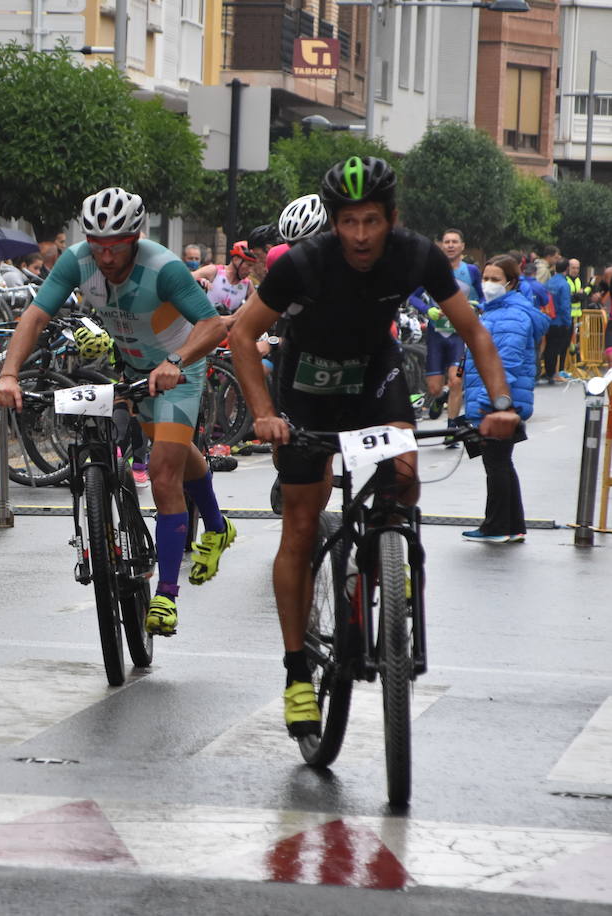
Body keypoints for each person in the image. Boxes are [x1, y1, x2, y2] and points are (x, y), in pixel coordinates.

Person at [228, 156, 521, 739]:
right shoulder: (304, 265)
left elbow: (473, 330)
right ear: (334, 222)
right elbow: (239, 333)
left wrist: (501, 404)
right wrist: (263, 415)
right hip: (306, 391)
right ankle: (294, 674)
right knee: (301, 527)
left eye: (371, 221)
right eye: (348, 222)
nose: (360, 236)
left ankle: (388, 547)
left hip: (375, 382)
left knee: (404, 474)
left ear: (391, 218)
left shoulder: (416, 255)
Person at [0, 187, 235, 637]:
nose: (105, 256)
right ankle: (218, 526)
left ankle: (166, 596)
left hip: (179, 368)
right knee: (175, 454)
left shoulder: (162, 268)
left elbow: (212, 325)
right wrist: (8, 374)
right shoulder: (77, 261)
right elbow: (35, 315)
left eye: (116, 246)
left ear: (135, 237)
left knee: (164, 470)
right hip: (131, 366)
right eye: (97, 245)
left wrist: (176, 362)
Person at [463, 255, 549, 543]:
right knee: (501, 462)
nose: (487, 284)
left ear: (511, 282)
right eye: (485, 278)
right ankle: (511, 524)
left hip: (499, 402)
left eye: (495, 279)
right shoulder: (496, 310)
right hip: (498, 399)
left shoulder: (510, 315)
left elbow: (507, 363)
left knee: (496, 463)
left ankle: (497, 526)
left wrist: (498, 404)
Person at [422, 228, 483, 424]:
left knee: (456, 380)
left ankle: (451, 428)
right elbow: (413, 296)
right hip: (436, 335)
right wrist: (427, 309)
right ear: (441, 245)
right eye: (446, 242)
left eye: (454, 242)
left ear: (462, 246)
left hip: (460, 336)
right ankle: (440, 397)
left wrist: (476, 305)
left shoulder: (471, 271)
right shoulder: (431, 269)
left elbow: (482, 296)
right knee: (434, 388)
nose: (450, 245)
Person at [194, 240, 256, 313]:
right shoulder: (214, 271)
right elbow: (185, 278)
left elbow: (256, 311)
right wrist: (198, 282)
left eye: (253, 266)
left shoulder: (248, 285)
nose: (251, 270)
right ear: (236, 259)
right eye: (249, 265)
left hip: (226, 323)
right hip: (204, 320)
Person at [542, 257, 573, 382]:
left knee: (549, 347)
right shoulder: (564, 284)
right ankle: (553, 374)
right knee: (556, 349)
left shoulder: (549, 282)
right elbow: (565, 305)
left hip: (547, 319)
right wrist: (568, 322)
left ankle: (549, 372)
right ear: (567, 269)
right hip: (559, 321)